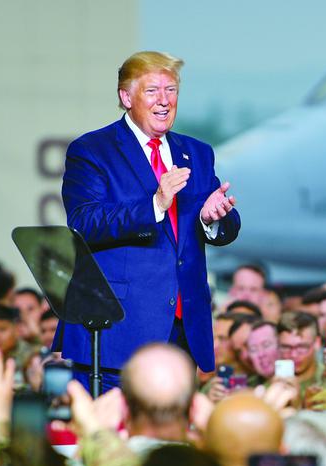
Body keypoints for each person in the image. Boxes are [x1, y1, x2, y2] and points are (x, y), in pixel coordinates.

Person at [58, 50, 241, 389]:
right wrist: (155, 204)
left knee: (170, 440)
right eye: (152, 91)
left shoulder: (197, 152)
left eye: (171, 90)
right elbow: (83, 221)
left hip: (182, 331)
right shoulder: (92, 150)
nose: (164, 101)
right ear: (126, 97)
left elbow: (224, 225)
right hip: (118, 332)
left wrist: (211, 219)